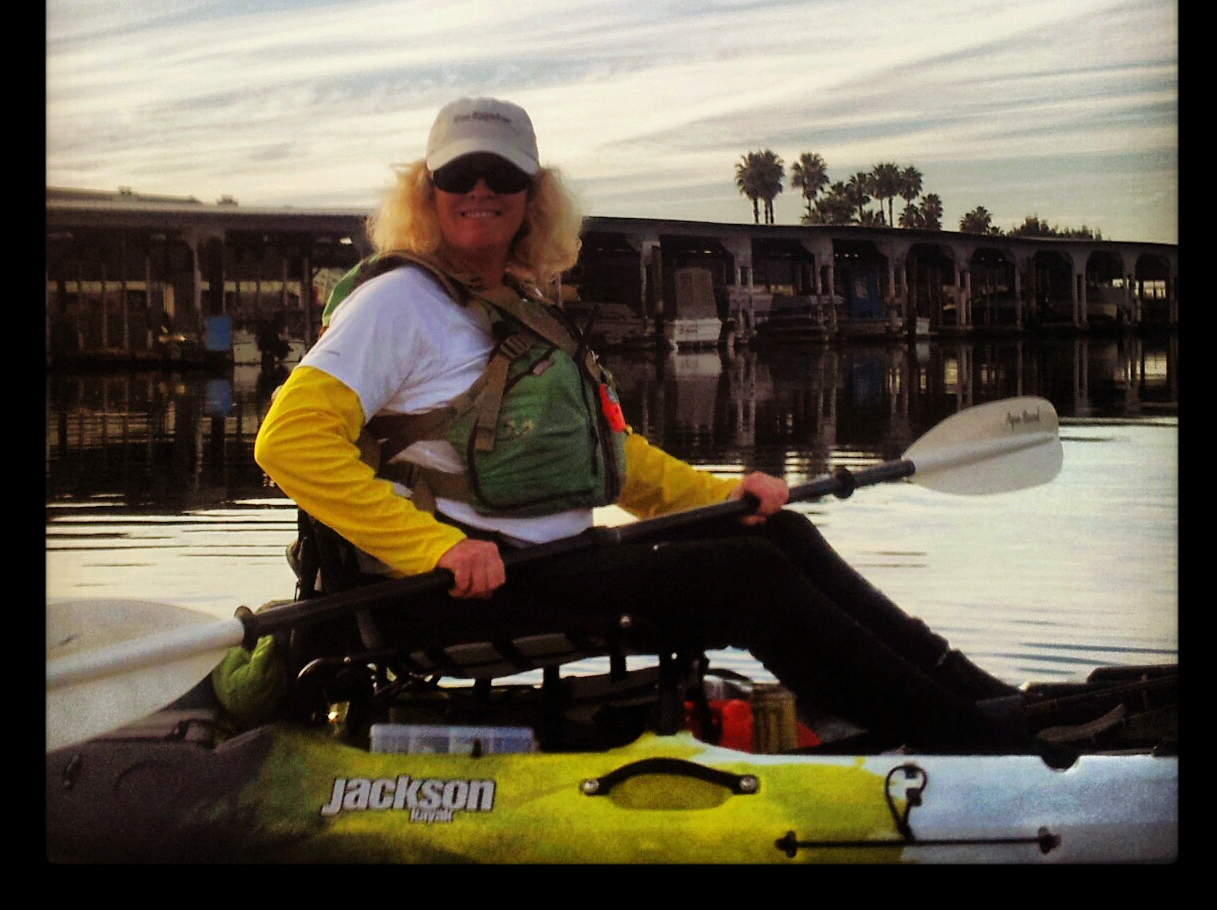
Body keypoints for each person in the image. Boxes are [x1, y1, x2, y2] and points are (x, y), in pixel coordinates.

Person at [255, 96, 1062, 762]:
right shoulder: (398, 302)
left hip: (553, 569)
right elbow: (287, 443)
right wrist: (431, 547)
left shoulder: (524, 309)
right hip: (442, 596)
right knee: (743, 579)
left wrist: (722, 496)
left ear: (533, 196)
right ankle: (966, 745)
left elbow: (618, 459)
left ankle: (973, 696)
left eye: (501, 174)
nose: (480, 190)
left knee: (776, 534)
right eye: (458, 174)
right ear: (426, 192)